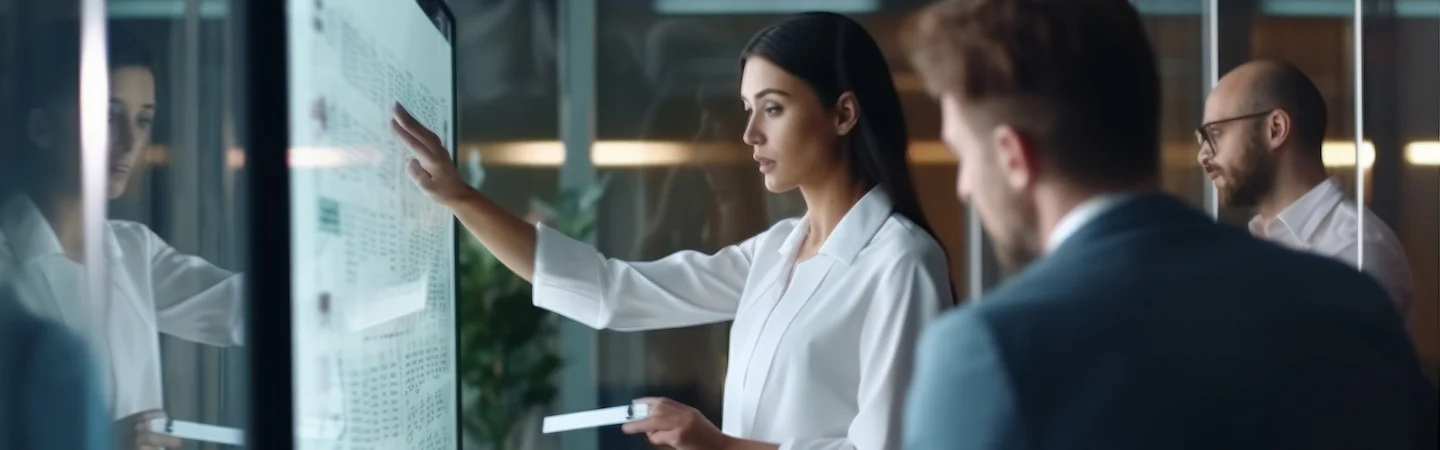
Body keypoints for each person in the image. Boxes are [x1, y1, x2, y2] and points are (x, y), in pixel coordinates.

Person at [395, 11, 953, 450]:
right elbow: (613, 292)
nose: (750, 134)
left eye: (773, 108)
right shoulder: (778, 251)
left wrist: (721, 445)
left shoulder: (901, 261)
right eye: (746, 109)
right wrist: (459, 197)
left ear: (844, 113)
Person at [899, 1, 1436, 449]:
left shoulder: (986, 352)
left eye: (962, 156)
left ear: (1013, 155)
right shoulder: (1351, 303)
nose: (965, 187)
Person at [0, 23, 244, 450]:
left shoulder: (134, 249)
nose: (132, 141)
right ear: (41, 128)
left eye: (144, 119)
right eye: (108, 116)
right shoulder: (7, 266)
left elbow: (245, 309)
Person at [1198, 59, 1415, 327]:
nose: (1203, 155)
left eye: (1215, 133)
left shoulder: (1355, 250)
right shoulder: (1254, 243)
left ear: (1275, 129)